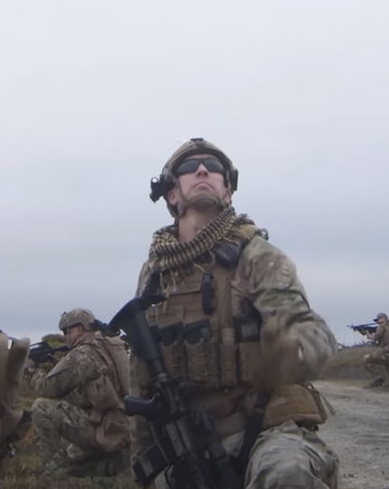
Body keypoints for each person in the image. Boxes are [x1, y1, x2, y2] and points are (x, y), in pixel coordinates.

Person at [130, 138, 341, 489]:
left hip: (266, 430)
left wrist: (292, 348)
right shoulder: (155, 274)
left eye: (215, 169)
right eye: (189, 167)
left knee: (287, 475)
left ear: (228, 191)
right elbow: (142, 374)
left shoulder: (256, 256)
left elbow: (311, 332)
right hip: (189, 440)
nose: (202, 170)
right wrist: (142, 462)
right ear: (171, 194)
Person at [24, 307, 132, 477]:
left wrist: (28, 370)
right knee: (75, 456)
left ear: (79, 329)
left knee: (41, 407)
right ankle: (107, 466)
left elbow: (47, 388)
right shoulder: (110, 346)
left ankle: (56, 470)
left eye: (67, 331)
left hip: (103, 429)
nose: (65, 336)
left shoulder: (81, 355)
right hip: (124, 425)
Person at [363, 312, 389, 386]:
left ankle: (386, 381)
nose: (377, 321)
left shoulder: (382, 326)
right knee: (386, 364)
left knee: (369, 360)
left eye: (379, 319)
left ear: (383, 318)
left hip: (386, 350)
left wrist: (367, 334)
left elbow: (374, 338)